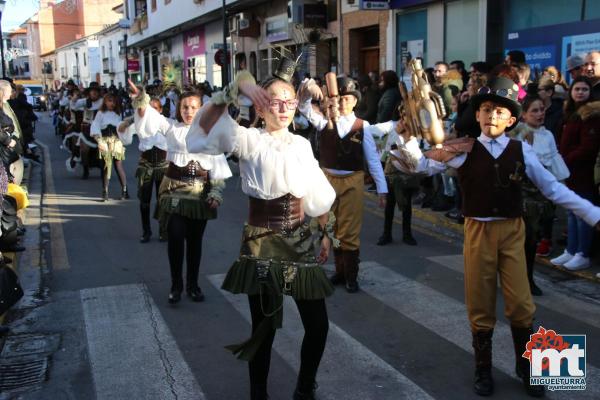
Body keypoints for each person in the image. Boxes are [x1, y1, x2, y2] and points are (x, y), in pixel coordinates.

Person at [397, 76, 600, 397]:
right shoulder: (461, 149)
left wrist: (592, 213)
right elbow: (418, 167)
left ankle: (526, 367)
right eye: (487, 109)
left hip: (511, 231)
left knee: (521, 303)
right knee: (480, 302)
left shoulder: (522, 150)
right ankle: (483, 368)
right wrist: (407, 138)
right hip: (478, 230)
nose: (492, 115)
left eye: (500, 111)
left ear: (512, 119)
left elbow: (553, 188)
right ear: (477, 115)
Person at [187, 64, 336, 400]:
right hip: (262, 245)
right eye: (274, 101)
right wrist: (230, 92)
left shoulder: (301, 145)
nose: (282, 108)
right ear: (260, 106)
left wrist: (326, 233)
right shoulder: (249, 140)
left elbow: (318, 194)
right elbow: (203, 132)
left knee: (318, 326)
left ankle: (305, 386)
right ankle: (259, 394)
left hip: (299, 243)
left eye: (289, 101)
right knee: (264, 329)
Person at [130, 81, 232, 304]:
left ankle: (192, 285)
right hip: (174, 193)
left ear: (201, 109)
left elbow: (218, 167)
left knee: (195, 242)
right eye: (185, 107)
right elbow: (148, 118)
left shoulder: (209, 134)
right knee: (176, 238)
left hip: (199, 196)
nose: (189, 112)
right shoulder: (171, 128)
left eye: (194, 107)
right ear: (178, 108)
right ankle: (176, 285)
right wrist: (140, 100)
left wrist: (215, 192)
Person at [298, 76, 389, 293]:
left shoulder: (363, 126)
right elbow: (303, 107)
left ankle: (351, 276)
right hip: (327, 180)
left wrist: (382, 189)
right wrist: (309, 89)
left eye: (347, 98)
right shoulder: (324, 121)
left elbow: (373, 159)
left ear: (355, 101)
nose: (342, 103)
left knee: (349, 229)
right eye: (339, 98)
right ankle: (339, 272)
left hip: (352, 181)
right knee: (331, 227)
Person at [510, 96, 569, 295]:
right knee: (524, 238)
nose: (539, 114)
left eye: (542, 110)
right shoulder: (517, 134)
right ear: (524, 114)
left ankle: (528, 277)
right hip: (523, 194)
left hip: (541, 194)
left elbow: (554, 163)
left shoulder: (548, 135)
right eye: (534, 111)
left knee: (533, 238)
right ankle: (521, 279)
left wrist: (557, 189)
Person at [550, 76, 600, 270]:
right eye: (577, 89)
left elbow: (588, 147)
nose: (580, 92)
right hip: (568, 171)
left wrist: (565, 160)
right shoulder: (570, 112)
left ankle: (583, 253)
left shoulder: (592, 115)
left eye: (584, 89)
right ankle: (571, 250)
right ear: (571, 91)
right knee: (571, 213)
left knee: (582, 214)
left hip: (583, 172)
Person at [119, 98, 169, 243]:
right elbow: (124, 130)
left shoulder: (165, 123)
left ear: (160, 110)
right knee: (144, 201)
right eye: (149, 108)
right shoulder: (141, 123)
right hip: (146, 165)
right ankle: (146, 231)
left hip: (163, 166)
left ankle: (163, 230)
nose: (151, 111)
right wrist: (127, 122)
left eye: (155, 108)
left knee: (162, 200)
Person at [91, 93, 127, 201]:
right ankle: (105, 191)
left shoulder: (118, 114)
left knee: (118, 166)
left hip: (116, 141)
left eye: (113, 101)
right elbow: (95, 126)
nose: (112, 103)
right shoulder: (100, 113)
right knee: (106, 167)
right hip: (104, 141)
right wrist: (98, 140)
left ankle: (124, 190)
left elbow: (122, 129)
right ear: (105, 102)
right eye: (109, 101)